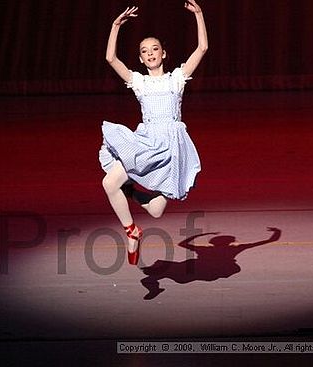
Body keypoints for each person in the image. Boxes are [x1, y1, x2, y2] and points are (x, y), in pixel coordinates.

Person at [99, 1, 208, 265]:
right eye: (144, 51)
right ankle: (132, 231)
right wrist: (115, 26)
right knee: (108, 182)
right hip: (147, 142)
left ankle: (130, 190)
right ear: (140, 58)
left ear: (163, 54)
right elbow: (110, 59)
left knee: (157, 210)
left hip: (170, 146)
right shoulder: (140, 82)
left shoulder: (176, 79)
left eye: (155, 49)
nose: (150, 54)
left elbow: (202, 48)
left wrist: (199, 15)